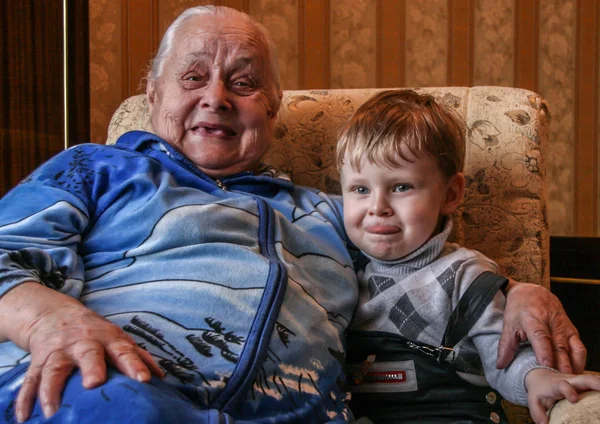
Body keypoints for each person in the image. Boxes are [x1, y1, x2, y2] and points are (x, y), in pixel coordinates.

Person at [0, 5, 586, 424]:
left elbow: (423, 257)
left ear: (273, 109)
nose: (217, 98)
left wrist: (518, 290)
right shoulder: (93, 170)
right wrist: (50, 322)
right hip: (113, 391)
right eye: (193, 76)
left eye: (245, 83)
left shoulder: (336, 213)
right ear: (151, 93)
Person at [336, 89, 600, 424]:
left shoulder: (465, 274)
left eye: (401, 187)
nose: (377, 207)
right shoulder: (340, 270)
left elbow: (502, 353)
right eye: (360, 189)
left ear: (450, 194)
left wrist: (537, 378)